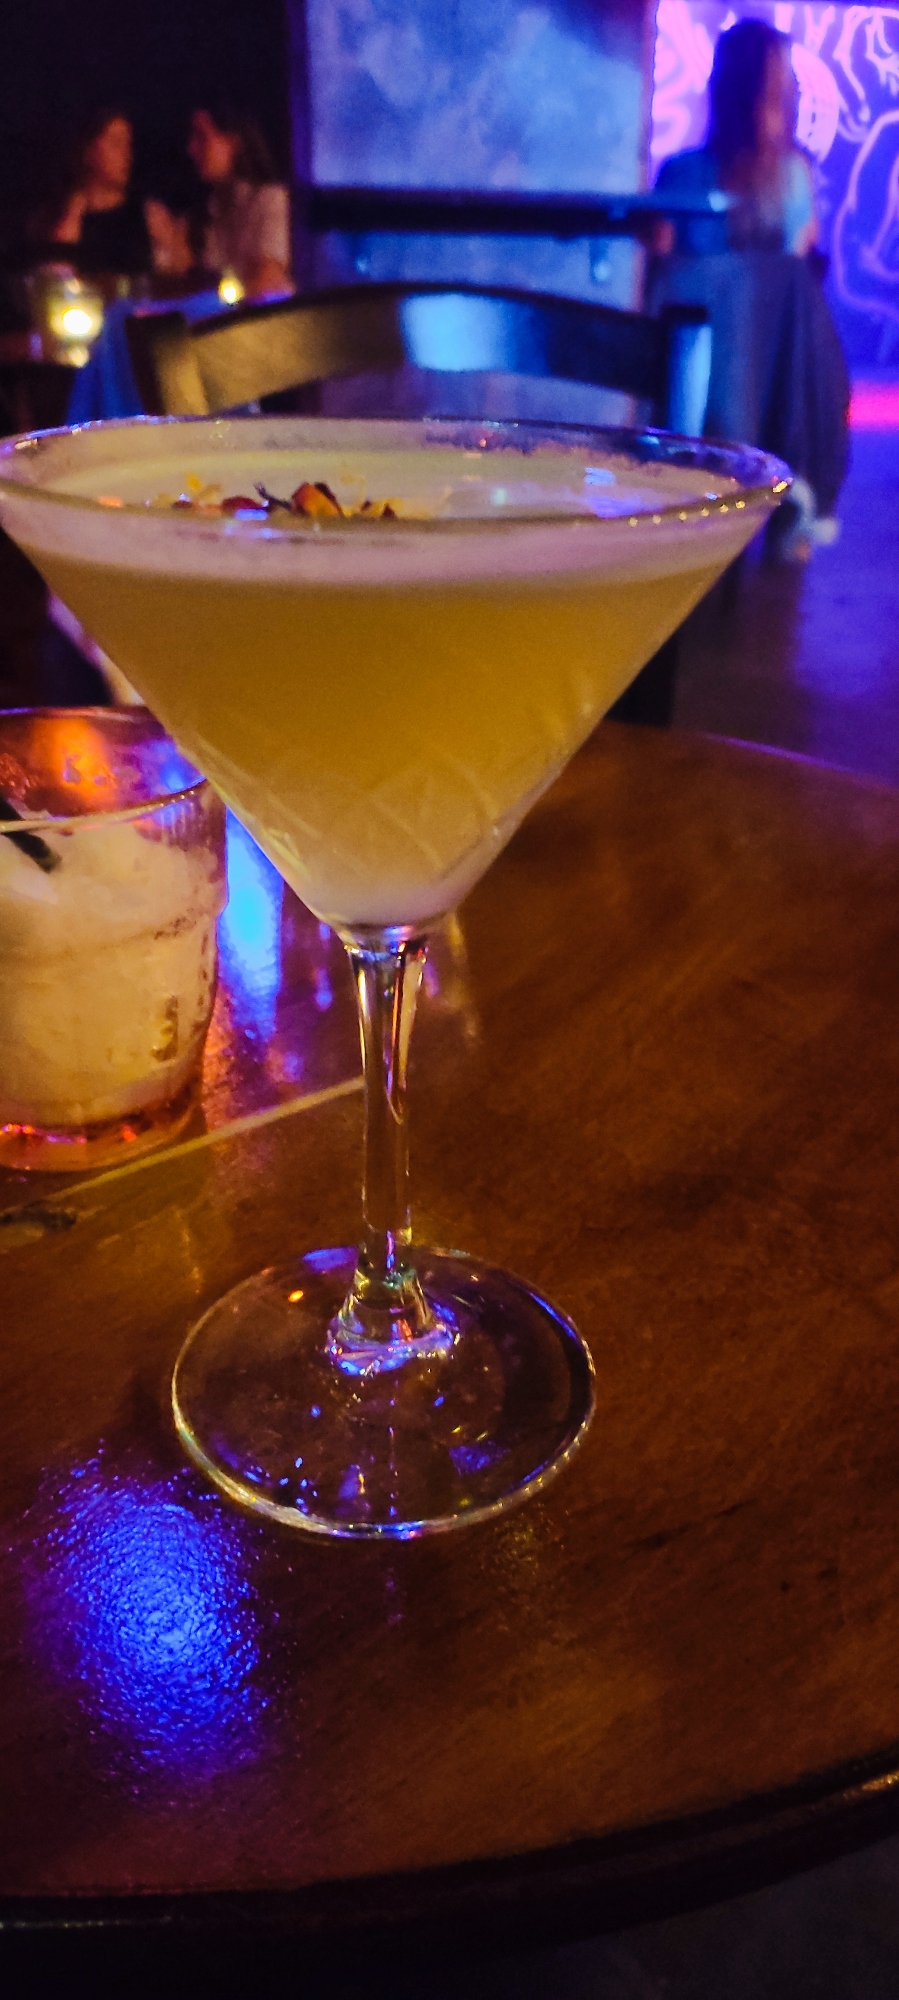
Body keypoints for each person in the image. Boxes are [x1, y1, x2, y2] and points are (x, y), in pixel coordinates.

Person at [651, 19, 848, 557]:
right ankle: (794, 487)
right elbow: (799, 261)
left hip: (697, 376)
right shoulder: (795, 176)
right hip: (777, 377)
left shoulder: (680, 173)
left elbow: (659, 270)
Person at [654, 21, 816, 259]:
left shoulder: (796, 174)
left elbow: (798, 264)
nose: (793, 97)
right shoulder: (681, 174)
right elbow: (658, 266)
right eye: (775, 94)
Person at [36, 109, 182, 277]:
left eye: (128, 145)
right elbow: (54, 278)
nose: (126, 155)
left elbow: (176, 275)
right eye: (116, 143)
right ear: (88, 151)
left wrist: (168, 246)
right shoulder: (63, 216)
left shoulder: (149, 214)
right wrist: (71, 219)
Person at [187, 105, 292, 298]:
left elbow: (268, 283)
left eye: (202, 137)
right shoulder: (213, 210)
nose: (192, 148)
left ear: (233, 141)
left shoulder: (271, 200)